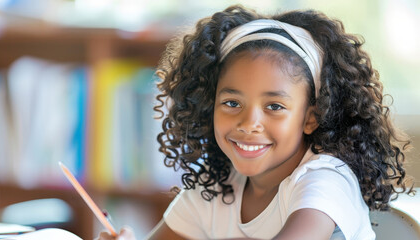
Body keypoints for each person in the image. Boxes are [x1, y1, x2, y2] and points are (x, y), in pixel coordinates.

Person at [96, 4, 414, 240]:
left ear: (310, 117)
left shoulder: (325, 181)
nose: (249, 123)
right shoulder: (214, 189)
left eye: (274, 106)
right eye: (232, 103)